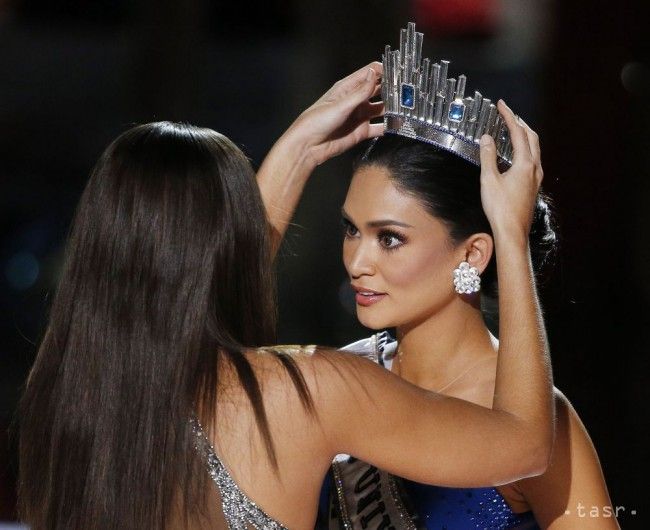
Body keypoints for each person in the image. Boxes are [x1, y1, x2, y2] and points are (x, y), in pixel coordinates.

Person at [18, 64, 553, 530]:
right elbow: (526, 446)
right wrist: (510, 235)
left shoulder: (68, 401)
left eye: (388, 237)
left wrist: (297, 150)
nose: (358, 261)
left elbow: (208, 294)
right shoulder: (308, 391)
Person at [259, 31, 616, 530]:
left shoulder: (536, 419)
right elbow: (199, 346)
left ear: (473, 252)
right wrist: (296, 149)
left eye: (389, 238)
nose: (357, 261)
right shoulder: (341, 378)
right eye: (350, 230)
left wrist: (511, 239)